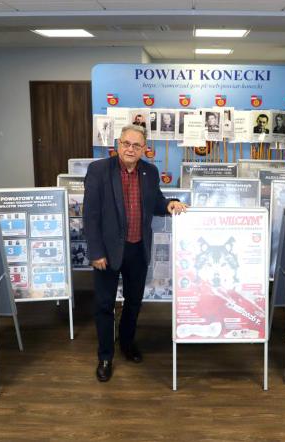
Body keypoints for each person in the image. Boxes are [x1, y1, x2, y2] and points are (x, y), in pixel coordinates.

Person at [83, 124, 187, 382]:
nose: (130, 149)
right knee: (104, 305)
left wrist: (169, 204)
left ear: (144, 149)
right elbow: (91, 216)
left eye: (136, 145)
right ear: (118, 145)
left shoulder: (149, 172)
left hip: (138, 249)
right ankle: (105, 356)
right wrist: (96, 252)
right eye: (126, 144)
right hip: (107, 252)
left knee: (133, 303)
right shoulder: (98, 170)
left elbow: (156, 201)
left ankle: (127, 344)